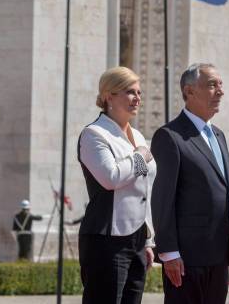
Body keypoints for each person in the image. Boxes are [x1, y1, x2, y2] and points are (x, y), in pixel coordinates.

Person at [151, 63, 229, 304]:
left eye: (221, 85)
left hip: (218, 254)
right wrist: (169, 252)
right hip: (186, 259)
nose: (220, 91)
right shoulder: (170, 136)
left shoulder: (219, 135)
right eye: (212, 85)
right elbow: (163, 199)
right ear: (189, 91)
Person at [77, 66, 156, 304]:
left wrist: (149, 240)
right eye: (130, 92)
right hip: (105, 240)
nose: (137, 98)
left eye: (139, 93)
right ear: (109, 95)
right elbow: (110, 178)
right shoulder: (94, 134)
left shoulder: (139, 137)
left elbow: (146, 190)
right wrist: (140, 157)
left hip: (137, 241)